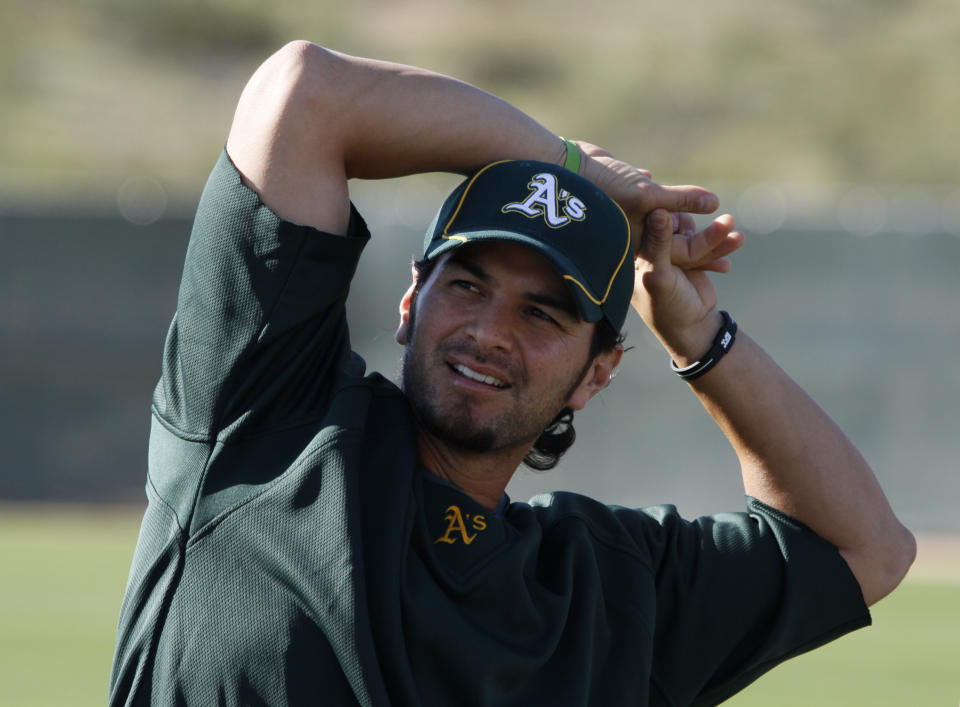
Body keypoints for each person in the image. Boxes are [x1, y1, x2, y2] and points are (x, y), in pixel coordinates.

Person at [109, 41, 915, 706]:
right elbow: (305, 90)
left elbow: (867, 548)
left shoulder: (607, 591)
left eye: (542, 314)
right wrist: (575, 167)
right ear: (411, 300)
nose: (489, 331)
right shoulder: (264, 417)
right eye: (468, 285)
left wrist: (698, 333)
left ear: (596, 375)